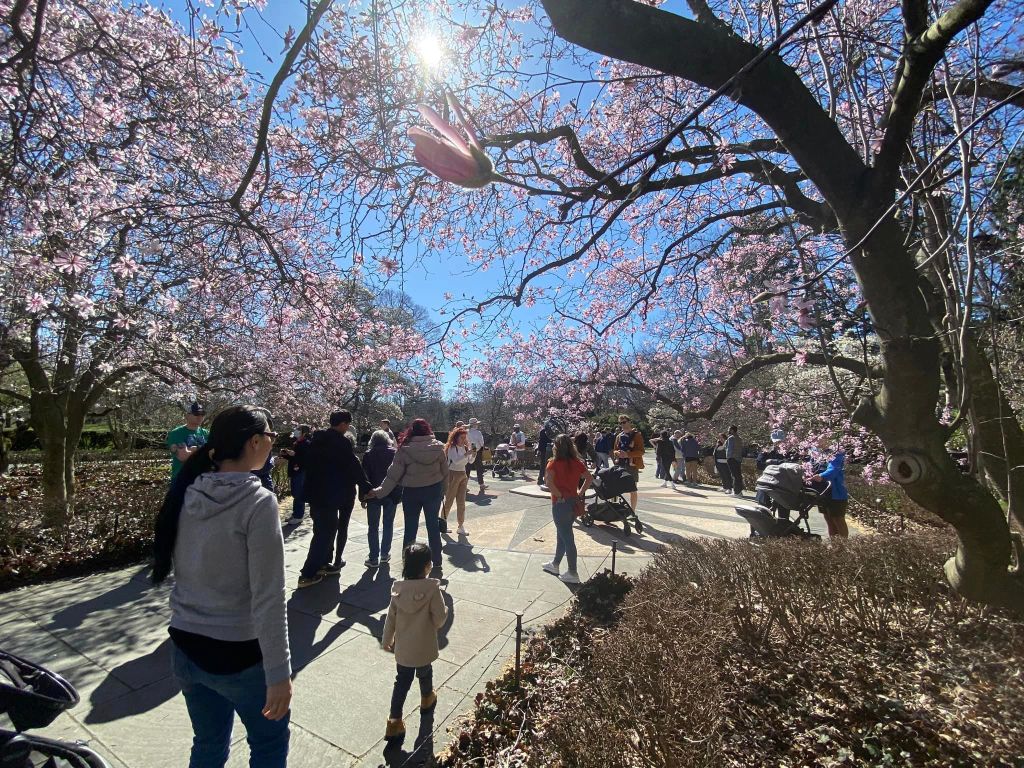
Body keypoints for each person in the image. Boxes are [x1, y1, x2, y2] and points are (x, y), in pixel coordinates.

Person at [152, 405, 291, 768]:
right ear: (255, 441)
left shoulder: (189, 490)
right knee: (268, 746)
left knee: (208, 745)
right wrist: (279, 673)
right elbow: (269, 596)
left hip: (185, 645)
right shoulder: (258, 501)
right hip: (239, 655)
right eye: (272, 436)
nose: (274, 444)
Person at [382, 543, 448, 744]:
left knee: (401, 682)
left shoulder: (398, 590)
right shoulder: (432, 589)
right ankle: (427, 698)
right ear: (427, 566)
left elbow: (390, 619)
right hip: (424, 646)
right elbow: (439, 619)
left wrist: (387, 639)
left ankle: (394, 721)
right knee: (425, 672)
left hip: (404, 649)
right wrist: (445, 612)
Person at [298, 410, 372, 588]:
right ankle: (307, 574)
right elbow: (353, 465)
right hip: (330, 495)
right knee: (325, 533)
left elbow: (305, 462)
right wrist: (365, 486)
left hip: (315, 494)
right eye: (348, 424)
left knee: (321, 530)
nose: (348, 428)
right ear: (343, 424)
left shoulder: (316, 440)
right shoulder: (341, 442)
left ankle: (323, 563)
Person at [371, 419, 448, 575]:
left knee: (410, 528)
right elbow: (445, 473)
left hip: (411, 492)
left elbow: (393, 476)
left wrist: (379, 492)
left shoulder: (405, 449)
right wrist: (442, 491)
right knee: (433, 526)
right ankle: (437, 560)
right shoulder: (438, 448)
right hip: (433, 490)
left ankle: (408, 562)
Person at [541, 434, 594, 584]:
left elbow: (549, 483)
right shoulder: (577, 462)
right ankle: (555, 564)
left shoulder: (553, 463)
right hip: (573, 502)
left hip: (560, 504)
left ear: (557, 447)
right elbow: (589, 478)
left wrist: (559, 495)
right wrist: (580, 493)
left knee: (568, 538)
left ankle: (572, 572)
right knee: (562, 535)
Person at [362, 430, 402, 568]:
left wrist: (363, 496)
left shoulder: (368, 454)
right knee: (388, 524)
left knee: (373, 526)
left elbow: (364, 477)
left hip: (372, 493)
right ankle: (385, 554)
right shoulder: (394, 453)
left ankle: (373, 557)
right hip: (391, 493)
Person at [811, 447, 850, 538]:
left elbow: (833, 469)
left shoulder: (837, 451)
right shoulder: (815, 450)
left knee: (838, 519)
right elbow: (812, 466)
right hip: (822, 490)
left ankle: (844, 543)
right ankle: (834, 543)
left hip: (836, 491)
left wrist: (821, 476)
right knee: (828, 518)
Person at [441, 426, 473, 536]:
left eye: (465, 437)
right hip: (453, 474)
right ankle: (442, 523)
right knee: (449, 500)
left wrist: (473, 454)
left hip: (463, 474)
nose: (464, 439)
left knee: (461, 502)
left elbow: (470, 461)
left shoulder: (465, 448)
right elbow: (455, 461)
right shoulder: (451, 447)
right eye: (461, 437)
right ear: (456, 437)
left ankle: (461, 526)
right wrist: (467, 454)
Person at [166, 402, 209, 482]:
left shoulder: (206, 433)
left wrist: (192, 450)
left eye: (202, 414)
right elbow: (183, 456)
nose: (200, 417)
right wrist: (203, 449)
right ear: (187, 415)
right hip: (182, 479)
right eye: (196, 414)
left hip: (202, 479)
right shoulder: (176, 433)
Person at [281, 425, 312, 526]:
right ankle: (295, 514)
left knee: (299, 494)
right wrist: (286, 455)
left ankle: (299, 516)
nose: (296, 431)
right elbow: (294, 458)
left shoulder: (307, 444)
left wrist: (294, 455)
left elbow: (306, 460)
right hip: (294, 471)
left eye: (299, 430)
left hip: (301, 472)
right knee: (295, 493)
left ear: (304, 433)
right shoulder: (297, 443)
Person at [613, 414, 644, 511]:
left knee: (633, 490)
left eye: (624, 422)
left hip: (632, 466)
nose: (622, 424)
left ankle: (633, 511)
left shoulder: (637, 435)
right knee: (615, 488)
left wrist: (628, 454)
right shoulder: (619, 436)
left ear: (629, 422)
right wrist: (618, 453)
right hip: (620, 465)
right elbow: (615, 450)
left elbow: (641, 452)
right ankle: (614, 508)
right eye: (620, 423)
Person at [465, 418, 487, 493]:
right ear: (474, 424)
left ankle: (464, 485)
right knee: (479, 468)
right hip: (476, 450)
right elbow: (482, 443)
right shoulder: (478, 433)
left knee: (467, 469)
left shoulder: (466, 432)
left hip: (468, 450)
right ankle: (481, 484)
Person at [725, 425, 744, 497]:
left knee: (734, 475)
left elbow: (729, 449)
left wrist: (728, 457)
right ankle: (739, 491)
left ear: (732, 430)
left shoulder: (731, 438)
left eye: (729, 429)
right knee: (738, 475)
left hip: (732, 458)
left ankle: (736, 492)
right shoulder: (739, 438)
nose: (728, 431)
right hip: (738, 458)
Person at [536, 422, 553, 487]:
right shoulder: (548, 432)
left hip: (544, 450)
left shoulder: (543, 431)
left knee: (544, 465)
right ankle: (541, 479)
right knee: (545, 465)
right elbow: (541, 441)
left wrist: (539, 450)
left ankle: (541, 479)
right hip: (546, 450)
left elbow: (540, 441)